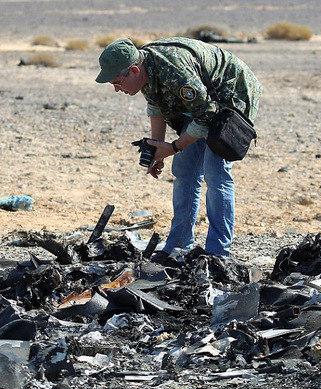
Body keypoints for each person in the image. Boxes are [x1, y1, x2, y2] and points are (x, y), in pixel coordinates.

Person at [96, 37, 263, 261]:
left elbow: (206, 115)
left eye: (117, 82)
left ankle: (218, 254)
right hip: (202, 102)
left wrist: (173, 147)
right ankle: (178, 246)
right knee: (185, 171)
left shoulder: (174, 69)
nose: (116, 89)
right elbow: (155, 105)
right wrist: (158, 150)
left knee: (216, 172)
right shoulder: (146, 68)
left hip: (231, 94)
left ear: (134, 70)